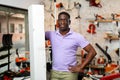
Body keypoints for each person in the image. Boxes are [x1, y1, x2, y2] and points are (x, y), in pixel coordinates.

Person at [45, 11, 97, 80]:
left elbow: (92, 52)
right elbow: (37, 36)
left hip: (69, 74)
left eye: (65, 20)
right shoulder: (51, 34)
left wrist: (81, 67)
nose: (62, 22)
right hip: (54, 73)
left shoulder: (77, 37)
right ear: (58, 22)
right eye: (60, 20)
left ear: (69, 22)